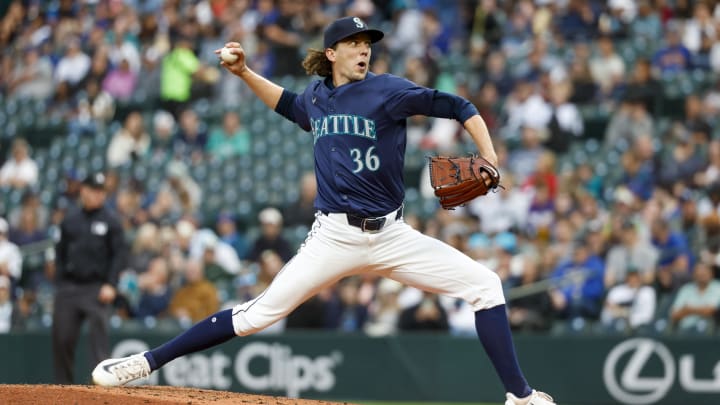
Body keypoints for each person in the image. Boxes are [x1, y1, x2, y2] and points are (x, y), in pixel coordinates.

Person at [92, 17, 555, 405]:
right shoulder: (316, 97)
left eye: (367, 44)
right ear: (331, 53)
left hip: (392, 235)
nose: (363, 50)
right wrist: (244, 73)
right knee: (256, 317)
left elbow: (459, 106)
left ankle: (521, 397)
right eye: (353, 43)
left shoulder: (389, 91)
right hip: (334, 236)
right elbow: (288, 104)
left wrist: (489, 156)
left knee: (486, 286)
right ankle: (145, 362)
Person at [53, 172, 126, 384]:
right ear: (83, 190)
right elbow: (60, 253)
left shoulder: (111, 221)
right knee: (62, 339)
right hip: (70, 286)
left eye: (101, 192)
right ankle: (62, 389)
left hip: (97, 287)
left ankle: (99, 389)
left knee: (98, 342)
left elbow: (119, 255)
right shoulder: (70, 220)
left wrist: (111, 284)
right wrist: (60, 282)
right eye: (94, 190)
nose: (98, 195)